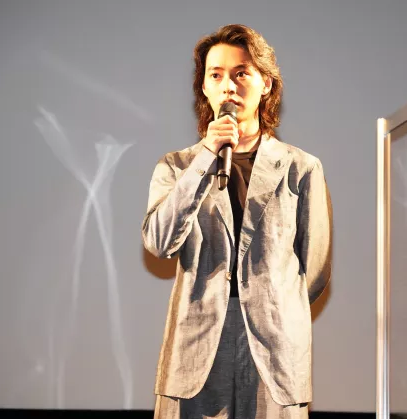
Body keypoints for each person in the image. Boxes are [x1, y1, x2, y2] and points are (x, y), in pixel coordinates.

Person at [142, 23, 332, 419]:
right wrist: (206, 157)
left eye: (241, 73)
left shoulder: (301, 168)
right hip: (196, 344)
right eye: (216, 75)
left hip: (275, 348)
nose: (228, 86)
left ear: (266, 84)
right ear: (204, 88)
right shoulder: (176, 167)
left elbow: (314, 270)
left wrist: (272, 303)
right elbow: (159, 243)